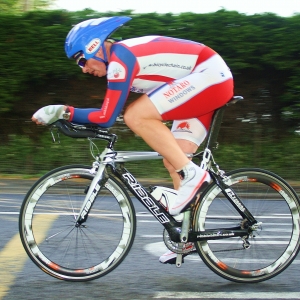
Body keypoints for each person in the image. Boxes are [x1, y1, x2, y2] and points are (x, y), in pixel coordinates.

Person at [32, 16, 234, 264]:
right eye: (79, 65)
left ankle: (195, 176)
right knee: (175, 160)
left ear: (95, 45)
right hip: (205, 82)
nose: (83, 69)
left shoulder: (120, 59)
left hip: (210, 76)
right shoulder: (120, 60)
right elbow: (105, 114)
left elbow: (107, 117)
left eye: (82, 60)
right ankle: (187, 236)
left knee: (136, 116)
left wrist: (63, 111)